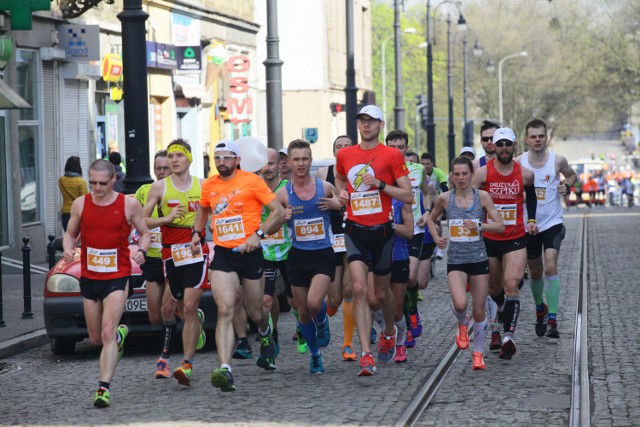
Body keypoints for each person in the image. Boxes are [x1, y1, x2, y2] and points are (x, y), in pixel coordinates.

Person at [192, 139, 284, 392]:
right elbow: (202, 210)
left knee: (256, 312)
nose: (222, 162)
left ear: (237, 160)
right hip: (223, 254)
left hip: (251, 253)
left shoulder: (253, 181)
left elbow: (277, 212)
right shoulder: (209, 184)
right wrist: (195, 234)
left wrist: (259, 235)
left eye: (227, 157)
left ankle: (265, 333)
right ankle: (225, 368)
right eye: (218, 157)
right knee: (225, 309)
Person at [62, 159, 150, 408]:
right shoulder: (81, 204)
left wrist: (141, 251)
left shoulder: (128, 204)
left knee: (107, 331)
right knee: (95, 339)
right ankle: (121, 338)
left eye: (102, 183)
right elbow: (69, 234)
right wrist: (68, 250)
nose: (97, 188)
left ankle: (103, 388)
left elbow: (145, 233)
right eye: (92, 182)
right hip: (90, 277)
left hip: (117, 275)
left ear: (113, 180)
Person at [334, 105, 412, 376]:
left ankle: (389, 331)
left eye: (371, 121)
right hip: (355, 230)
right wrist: (342, 194)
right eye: (361, 121)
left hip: (382, 232)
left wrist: (379, 184)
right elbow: (340, 179)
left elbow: (408, 196)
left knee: (380, 294)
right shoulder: (345, 154)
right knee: (358, 289)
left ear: (381, 125)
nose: (365, 125)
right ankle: (366, 353)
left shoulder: (391, 155)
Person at [143, 139, 210, 387]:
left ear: (189, 159)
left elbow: (218, 210)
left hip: (196, 249)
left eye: (178, 156)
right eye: (170, 156)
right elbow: (141, 220)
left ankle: (187, 365)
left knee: (189, 308)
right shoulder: (159, 188)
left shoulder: (203, 186)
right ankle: (196, 326)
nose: (173, 160)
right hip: (171, 254)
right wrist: (166, 218)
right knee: (181, 308)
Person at [428, 156, 504, 370]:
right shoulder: (445, 198)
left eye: (465, 174)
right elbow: (431, 220)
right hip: (456, 262)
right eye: (457, 174)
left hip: (479, 260)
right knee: (461, 304)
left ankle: (478, 354)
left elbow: (500, 225)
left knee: (480, 311)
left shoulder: (483, 197)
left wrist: (479, 225)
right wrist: (436, 238)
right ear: (451, 176)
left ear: (472, 175)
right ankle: (462, 323)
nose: (461, 178)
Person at [275, 139, 341, 373]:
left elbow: (343, 203)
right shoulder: (283, 193)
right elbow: (272, 225)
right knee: (302, 311)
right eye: (296, 159)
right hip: (298, 256)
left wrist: (336, 204)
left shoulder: (324, 187)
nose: (301, 164)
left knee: (314, 303)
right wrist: (282, 216)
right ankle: (315, 355)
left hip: (322, 254)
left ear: (310, 161)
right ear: (289, 162)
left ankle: (322, 321)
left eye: (305, 159)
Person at [471, 127, 538, 360]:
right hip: (489, 239)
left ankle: (508, 336)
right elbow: (469, 199)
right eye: (499, 145)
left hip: (515, 237)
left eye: (507, 144)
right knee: (494, 289)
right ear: (494, 147)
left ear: (514, 145)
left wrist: (531, 219)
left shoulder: (525, 174)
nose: (503, 148)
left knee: (512, 284)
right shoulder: (482, 174)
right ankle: (499, 313)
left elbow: (531, 195)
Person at [518, 118, 577, 339]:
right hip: (528, 224)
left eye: (541, 136)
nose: (537, 140)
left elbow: (571, 175)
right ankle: (539, 308)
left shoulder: (557, 160)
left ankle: (552, 317)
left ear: (546, 138)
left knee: (550, 267)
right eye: (533, 136)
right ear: (526, 139)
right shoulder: (519, 162)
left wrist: (567, 185)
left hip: (552, 222)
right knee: (535, 272)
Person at [385, 130, 436, 347]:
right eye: (392, 146)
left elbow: (427, 191)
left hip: (413, 230)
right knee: (399, 282)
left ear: (407, 148)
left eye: (401, 147)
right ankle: (405, 321)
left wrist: (426, 213)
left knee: (412, 279)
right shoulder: (380, 171)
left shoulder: (417, 170)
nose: (397, 151)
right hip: (390, 231)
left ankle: (412, 310)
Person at [315, 135, 356, 360]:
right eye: (338, 146)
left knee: (350, 290)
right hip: (331, 237)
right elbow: (314, 199)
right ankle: (327, 315)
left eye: (347, 146)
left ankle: (348, 344)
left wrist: (339, 203)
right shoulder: (323, 175)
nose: (342, 149)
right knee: (334, 298)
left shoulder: (359, 174)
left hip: (352, 234)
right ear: (333, 152)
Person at [420, 152, 448, 260]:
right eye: (423, 164)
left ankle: (439, 247)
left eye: (428, 164)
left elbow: (444, 187)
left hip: (437, 200)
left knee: (437, 221)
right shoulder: (419, 172)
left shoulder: (438, 172)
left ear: (432, 164)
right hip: (425, 199)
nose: (425, 166)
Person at [58, 156, 88, 231]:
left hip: (65, 212)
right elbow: (85, 199)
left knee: (69, 237)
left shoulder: (61, 180)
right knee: (78, 239)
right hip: (78, 213)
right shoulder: (81, 182)